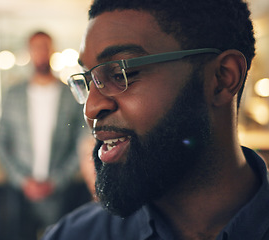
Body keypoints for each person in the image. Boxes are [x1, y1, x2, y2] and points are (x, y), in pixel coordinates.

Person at [42, 0, 269, 239]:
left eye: (121, 74)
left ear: (222, 78)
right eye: (89, 81)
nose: (91, 107)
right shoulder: (75, 234)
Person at [0, 31, 89, 239]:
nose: (41, 53)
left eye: (45, 47)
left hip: (60, 190)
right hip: (20, 191)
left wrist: (57, 180)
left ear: (52, 50)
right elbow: (0, 143)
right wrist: (22, 180)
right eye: (36, 48)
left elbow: (82, 141)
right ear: (29, 52)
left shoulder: (69, 95)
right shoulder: (13, 95)